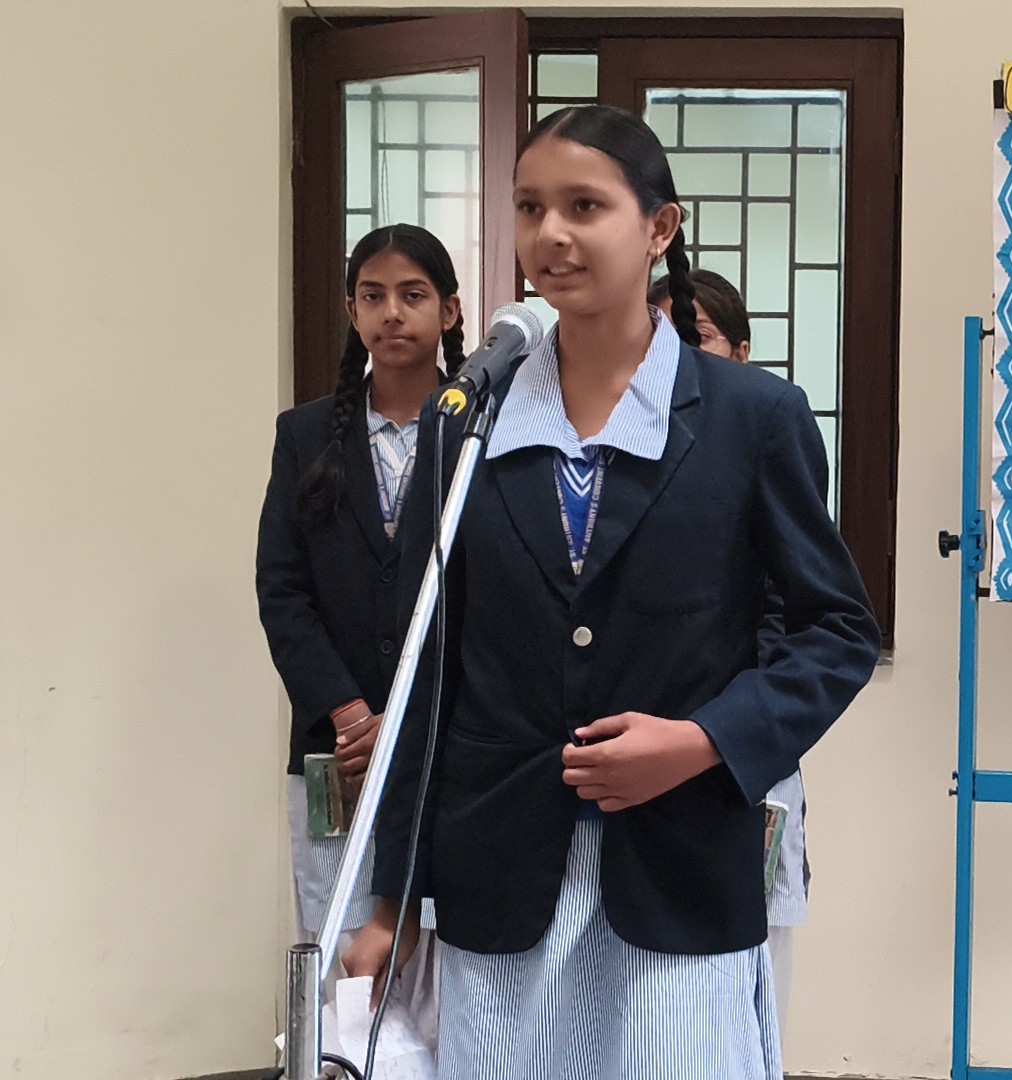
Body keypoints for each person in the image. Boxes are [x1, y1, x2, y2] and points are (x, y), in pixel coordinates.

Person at [347, 104, 880, 1080]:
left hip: (679, 871)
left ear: (659, 227)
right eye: (529, 207)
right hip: (498, 876)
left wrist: (704, 741)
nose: (551, 233)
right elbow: (428, 668)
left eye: (583, 206)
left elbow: (835, 632)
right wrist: (394, 900)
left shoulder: (752, 417)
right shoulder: (465, 423)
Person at [256, 224, 462, 958]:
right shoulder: (305, 435)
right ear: (351, 312)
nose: (392, 314)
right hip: (337, 754)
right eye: (372, 297)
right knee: (340, 963)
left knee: (443, 965)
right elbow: (282, 592)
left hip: (446, 744)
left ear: (450, 310)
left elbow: (499, 603)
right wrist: (348, 715)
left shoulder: (483, 437)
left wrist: (408, 720)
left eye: (413, 295)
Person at [647, 268, 811, 1036]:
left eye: (698, 336)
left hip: (743, 744)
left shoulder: (765, 430)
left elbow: (800, 608)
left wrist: (725, 727)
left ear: (741, 351)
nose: (676, 353)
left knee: (755, 978)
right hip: (650, 755)